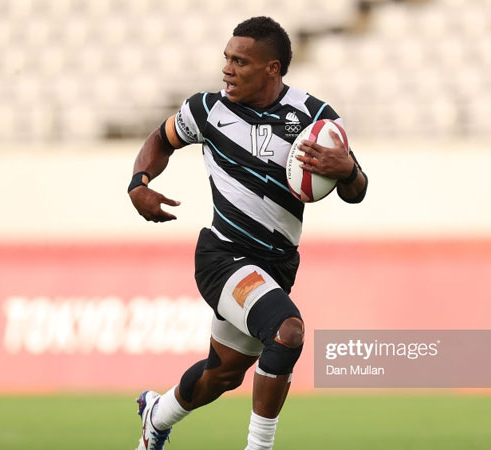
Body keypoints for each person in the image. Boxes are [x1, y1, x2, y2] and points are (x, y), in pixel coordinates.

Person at [127, 16, 367, 450]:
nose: (227, 69)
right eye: (227, 59)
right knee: (287, 331)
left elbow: (357, 191)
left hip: (276, 266)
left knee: (222, 374)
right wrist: (138, 183)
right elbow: (160, 139)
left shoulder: (315, 117)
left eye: (240, 62)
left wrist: (348, 170)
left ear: (271, 69)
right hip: (223, 257)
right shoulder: (206, 110)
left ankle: (156, 415)